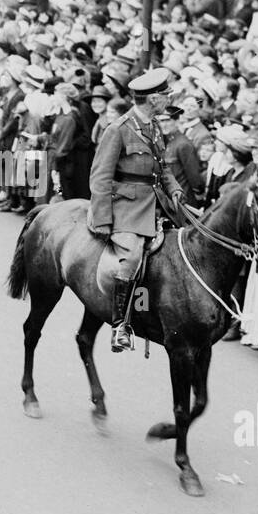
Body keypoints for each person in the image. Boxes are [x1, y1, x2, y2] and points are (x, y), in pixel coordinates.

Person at [88, 67, 185, 352]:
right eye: (166, 95)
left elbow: (162, 168)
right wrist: (103, 219)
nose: (169, 99)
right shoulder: (118, 129)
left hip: (154, 204)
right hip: (125, 208)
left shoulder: (154, 126)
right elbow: (100, 177)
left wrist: (175, 189)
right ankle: (120, 325)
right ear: (153, 99)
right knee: (130, 258)